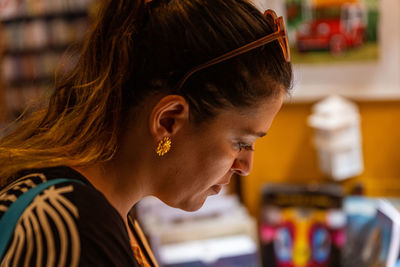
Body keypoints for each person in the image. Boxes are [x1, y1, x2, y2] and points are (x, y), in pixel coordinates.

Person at [0, 0, 292, 266]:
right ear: (168, 121)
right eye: (241, 143)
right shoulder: (72, 227)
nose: (245, 167)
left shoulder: (106, 209)